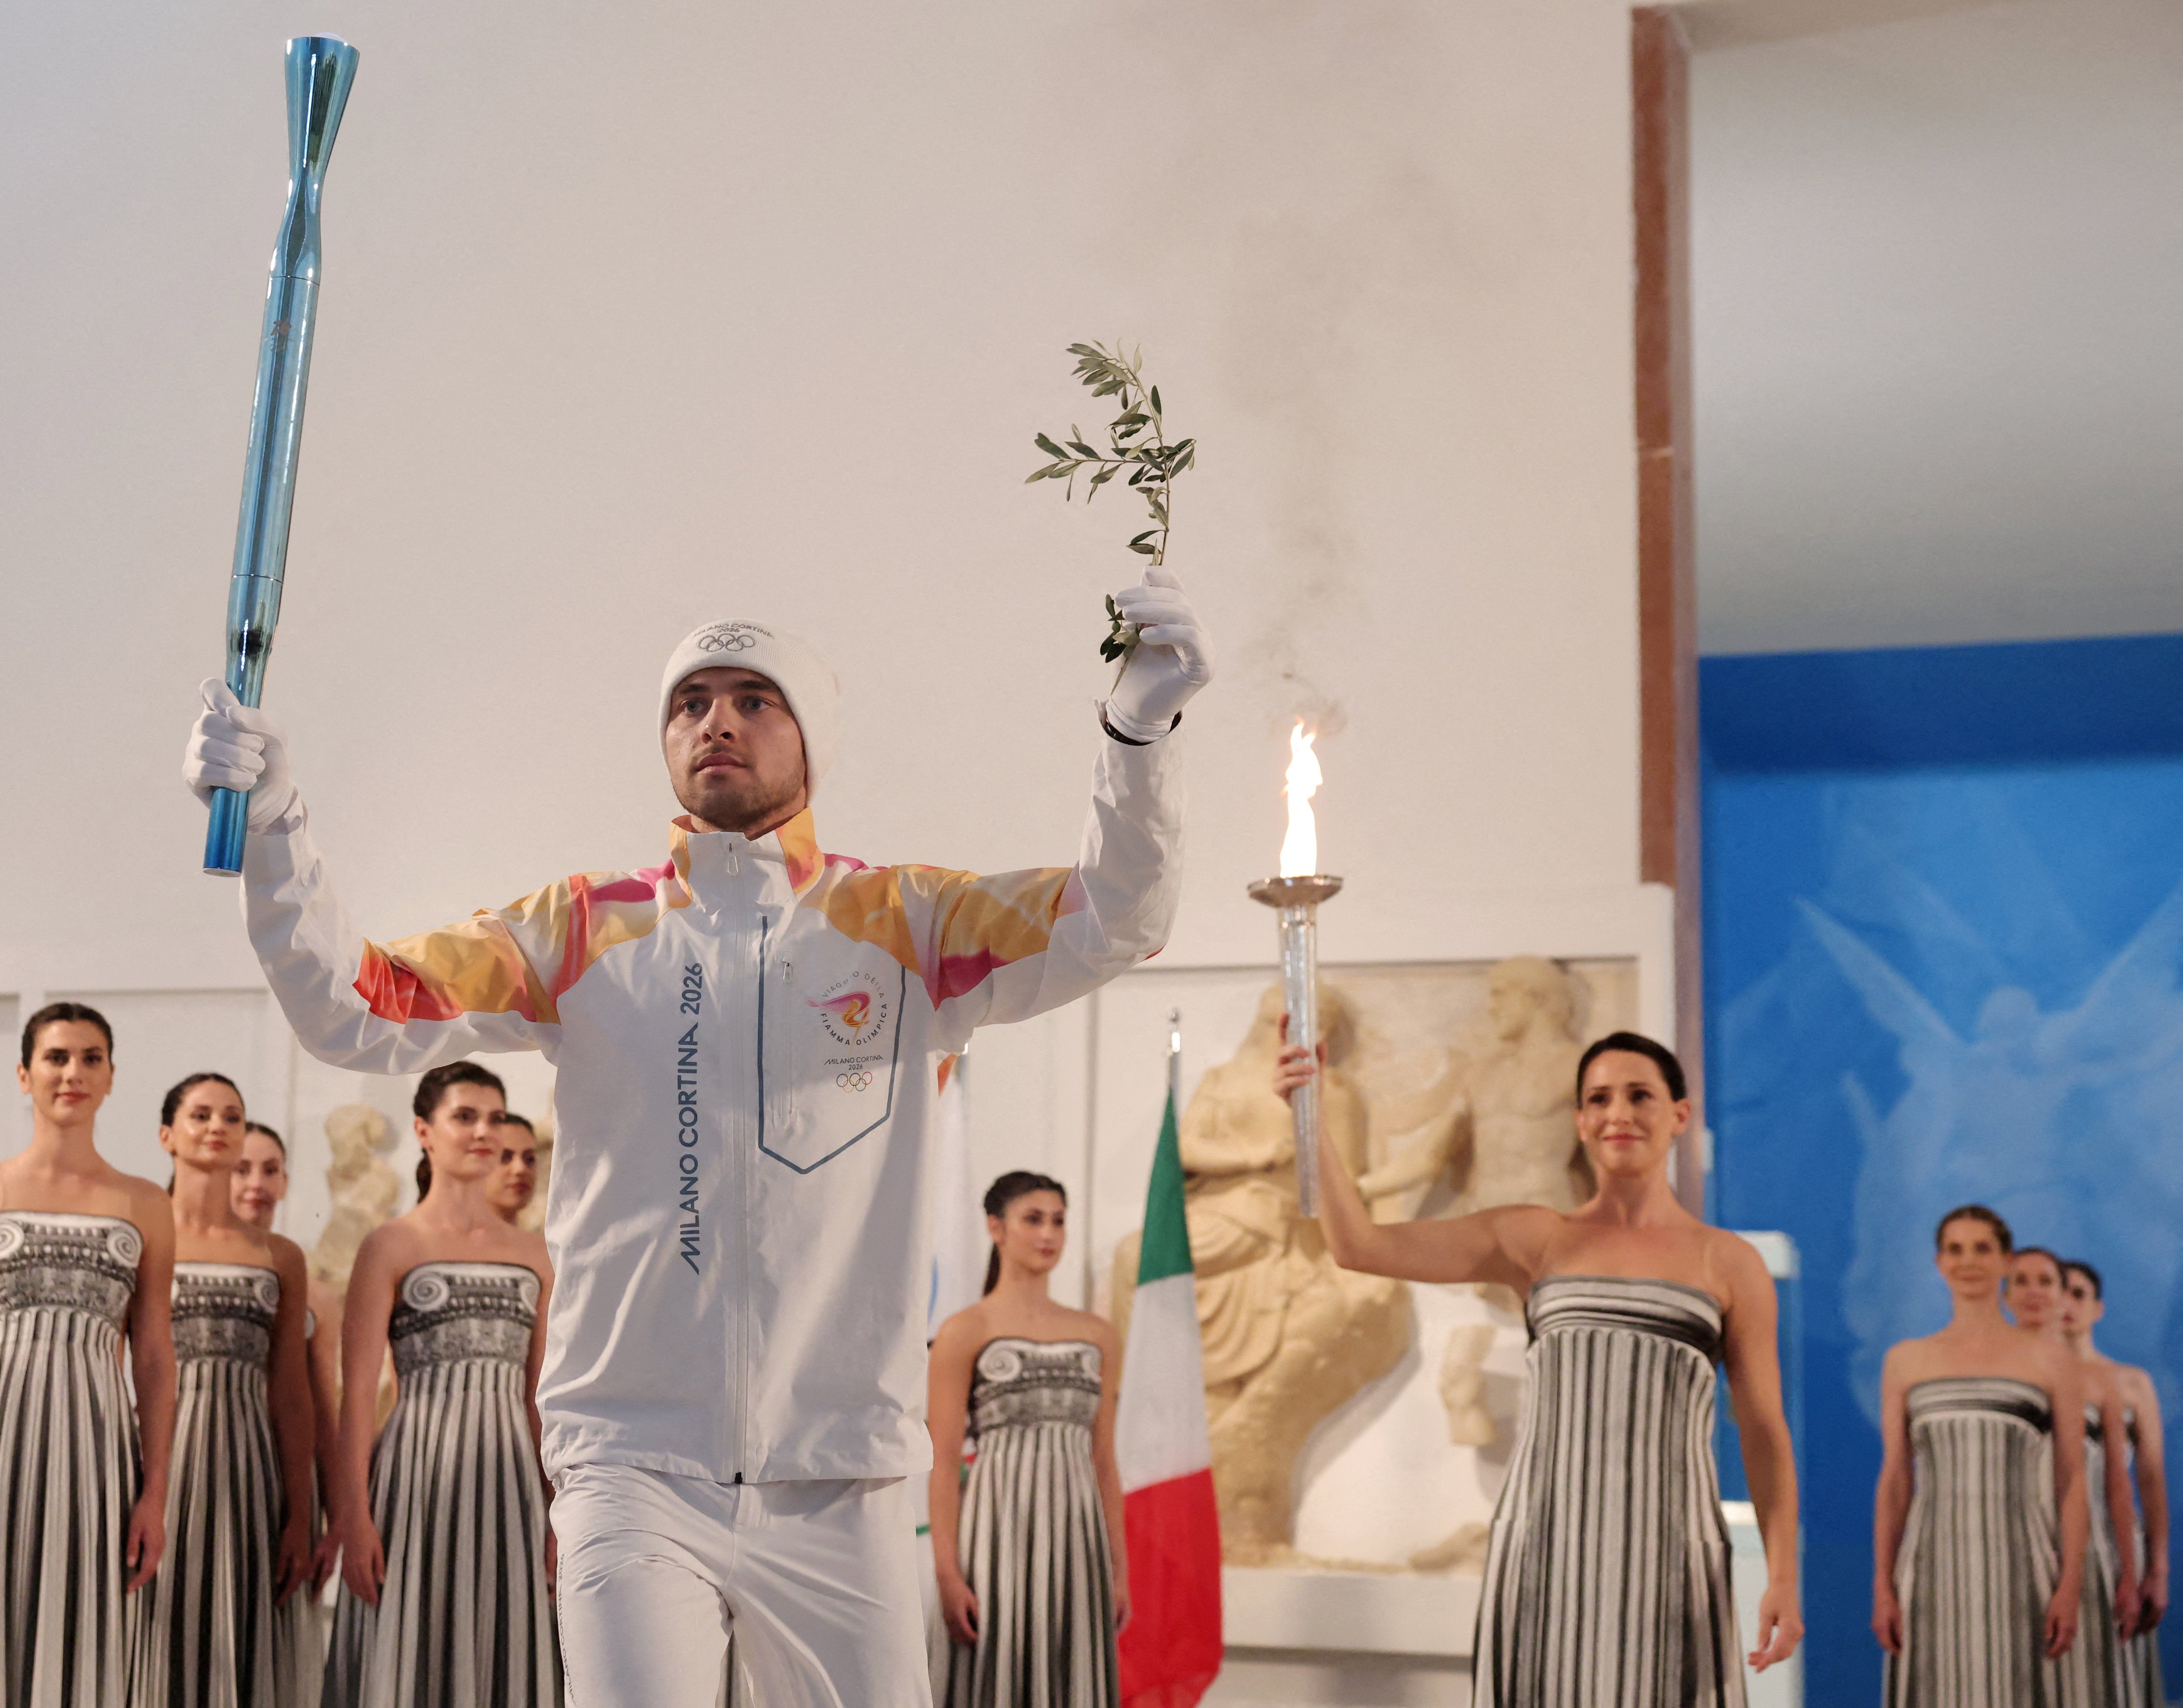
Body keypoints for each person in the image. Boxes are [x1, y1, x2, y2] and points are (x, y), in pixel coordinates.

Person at [181, 571, 1208, 1706]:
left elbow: (1115, 916)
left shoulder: (906, 926)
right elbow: (354, 1005)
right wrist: (276, 830)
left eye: (753, 698)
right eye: (690, 702)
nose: (715, 720)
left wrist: (1137, 736)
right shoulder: (578, 928)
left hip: (842, 1478)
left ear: (809, 736)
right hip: (632, 1471)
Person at [1275, 1027, 1800, 1706]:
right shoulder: (1537, 1239)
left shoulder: (1729, 1263)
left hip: (1672, 1551)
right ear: (1581, 1122)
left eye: (1640, 1095)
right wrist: (1308, 1107)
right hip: (1548, 1546)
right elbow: (1359, 1244)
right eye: (1599, 1098)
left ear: (1679, 1114)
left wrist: (1782, 1576)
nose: (1619, 1113)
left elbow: (1762, 1431)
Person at [0, 1001, 178, 1708]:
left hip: (96, 1449)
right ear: (24, 1076)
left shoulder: (146, 1201)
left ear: (112, 1077)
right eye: (57, 1058)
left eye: (91, 1058)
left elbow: (153, 1354)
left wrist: (155, 1491)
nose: (73, 1073)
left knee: (85, 1631)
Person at [322, 1062, 556, 1707]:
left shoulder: (536, 1253)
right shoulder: (390, 1245)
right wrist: (354, 1519)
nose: (483, 1132)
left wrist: (558, 1509)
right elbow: (358, 1394)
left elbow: (542, 1400)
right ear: (425, 1131)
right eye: (465, 1117)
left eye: (492, 1117)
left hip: (511, 1485)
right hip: (414, 1478)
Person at [147, 1073, 320, 1707]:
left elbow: (292, 1391)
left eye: (232, 1116)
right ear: (168, 1134)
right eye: (201, 1115)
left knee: (241, 1634)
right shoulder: (141, 1232)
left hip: (248, 1467)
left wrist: (302, 1512)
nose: (218, 1126)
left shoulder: (280, 1255)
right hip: (154, 1461)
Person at [1871, 1206, 2088, 1707]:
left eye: (1982, 1249)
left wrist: (2070, 1585)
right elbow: (1895, 1480)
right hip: (1928, 1570)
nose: (1968, 1261)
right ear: (1938, 1262)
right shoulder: (1905, 1360)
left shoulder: (2051, 1360)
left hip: (2022, 1569)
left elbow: (2071, 1480)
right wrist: (1882, 1584)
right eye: (1955, 1249)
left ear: (2005, 1261)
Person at [928, 1171, 1125, 1708]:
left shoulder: (1098, 1335)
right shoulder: (963, 1330)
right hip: (996, 1534)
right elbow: (941, 1461)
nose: (1049, 1234)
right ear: (996, 1227)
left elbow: (1104, 1459)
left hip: (1079, 1540)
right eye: (1033, 1219)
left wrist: (1118, 1569)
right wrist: (947, 1572)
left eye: (1058, 1221)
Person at [2006, 1248, 2134, 1705]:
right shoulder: (1987, 1372)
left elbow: (2118, 1485)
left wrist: (2131, 1572)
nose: (2034, 1294)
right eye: (2020, 1282)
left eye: (2046, 1283)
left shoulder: (2099, 1383)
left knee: (2081, 1685)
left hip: (2085, 1553)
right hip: (2008, 1548)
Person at [234, 1121, 345, 1597]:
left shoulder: (316, 1296)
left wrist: (336, 1520)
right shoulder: (173, 1260)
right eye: (242, 1169)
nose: (257, 1184)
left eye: (270, 1170)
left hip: (284, 1480)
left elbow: (325, 1410)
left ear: (285, 1183)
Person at [2063, 1258, 2167, 1706]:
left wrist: (2156, 1570)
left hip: (2112, 1549)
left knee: (2109, 1679)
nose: (2065, 1303)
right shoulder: (2021, 1382)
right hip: (2039, 1544)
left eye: (2078, 1293)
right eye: (2058, 1290)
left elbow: (2149, 1479)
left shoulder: (2130, 1382)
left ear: (2097, 1308)